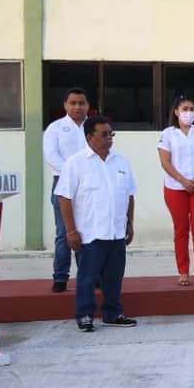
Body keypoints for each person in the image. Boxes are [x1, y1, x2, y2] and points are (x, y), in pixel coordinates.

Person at [54, 116, 138, 332]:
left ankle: (112, 313)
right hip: (89, 233)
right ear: (89, 136)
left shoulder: (121, 161)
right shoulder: (76, 163)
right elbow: (64, 197)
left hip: (116, 232)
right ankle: (84, 315)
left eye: (111, 134)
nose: (109, 138)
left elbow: (128, 194)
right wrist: (70, 231)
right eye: (104, 134)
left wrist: (129, 223)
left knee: (114, 276)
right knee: (87, 277)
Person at [157, 95, 194, 287]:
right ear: (176, 112)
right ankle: (183, 272)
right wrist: (183, 181)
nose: (188, 112)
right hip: (176, 188)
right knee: (181, 230)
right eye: (184, 109)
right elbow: (165, 162)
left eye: (191, 109)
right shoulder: (168, 134)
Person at [43, 87, 90, 292]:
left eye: (81, 103)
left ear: (88, 105)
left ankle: (89, 275)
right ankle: (60, 277)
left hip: (90, 185)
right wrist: (74, 172)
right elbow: (51, 156)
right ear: (65, 105)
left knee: (88, 232)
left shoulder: (94, 126)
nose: (77, 107)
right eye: (73, 103)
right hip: (63, 183)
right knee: (64, 232)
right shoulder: (55, 128)